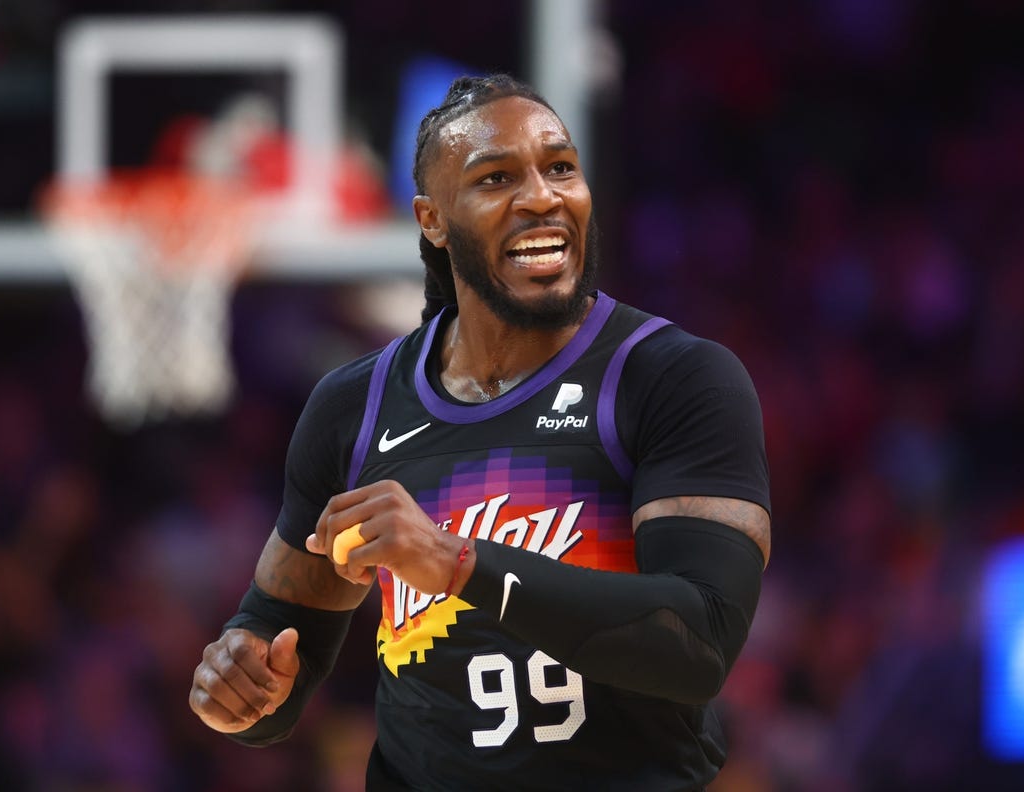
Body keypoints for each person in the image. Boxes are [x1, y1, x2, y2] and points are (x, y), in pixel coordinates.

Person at [189, 73, 771, 791]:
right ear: (433, 221)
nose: (541, 196)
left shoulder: (672, 378)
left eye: (560, 167)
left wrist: (459, 564)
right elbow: (278, 643)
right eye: (496, 178)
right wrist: (241, 685)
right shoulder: (355, 406)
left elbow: (699, 643)